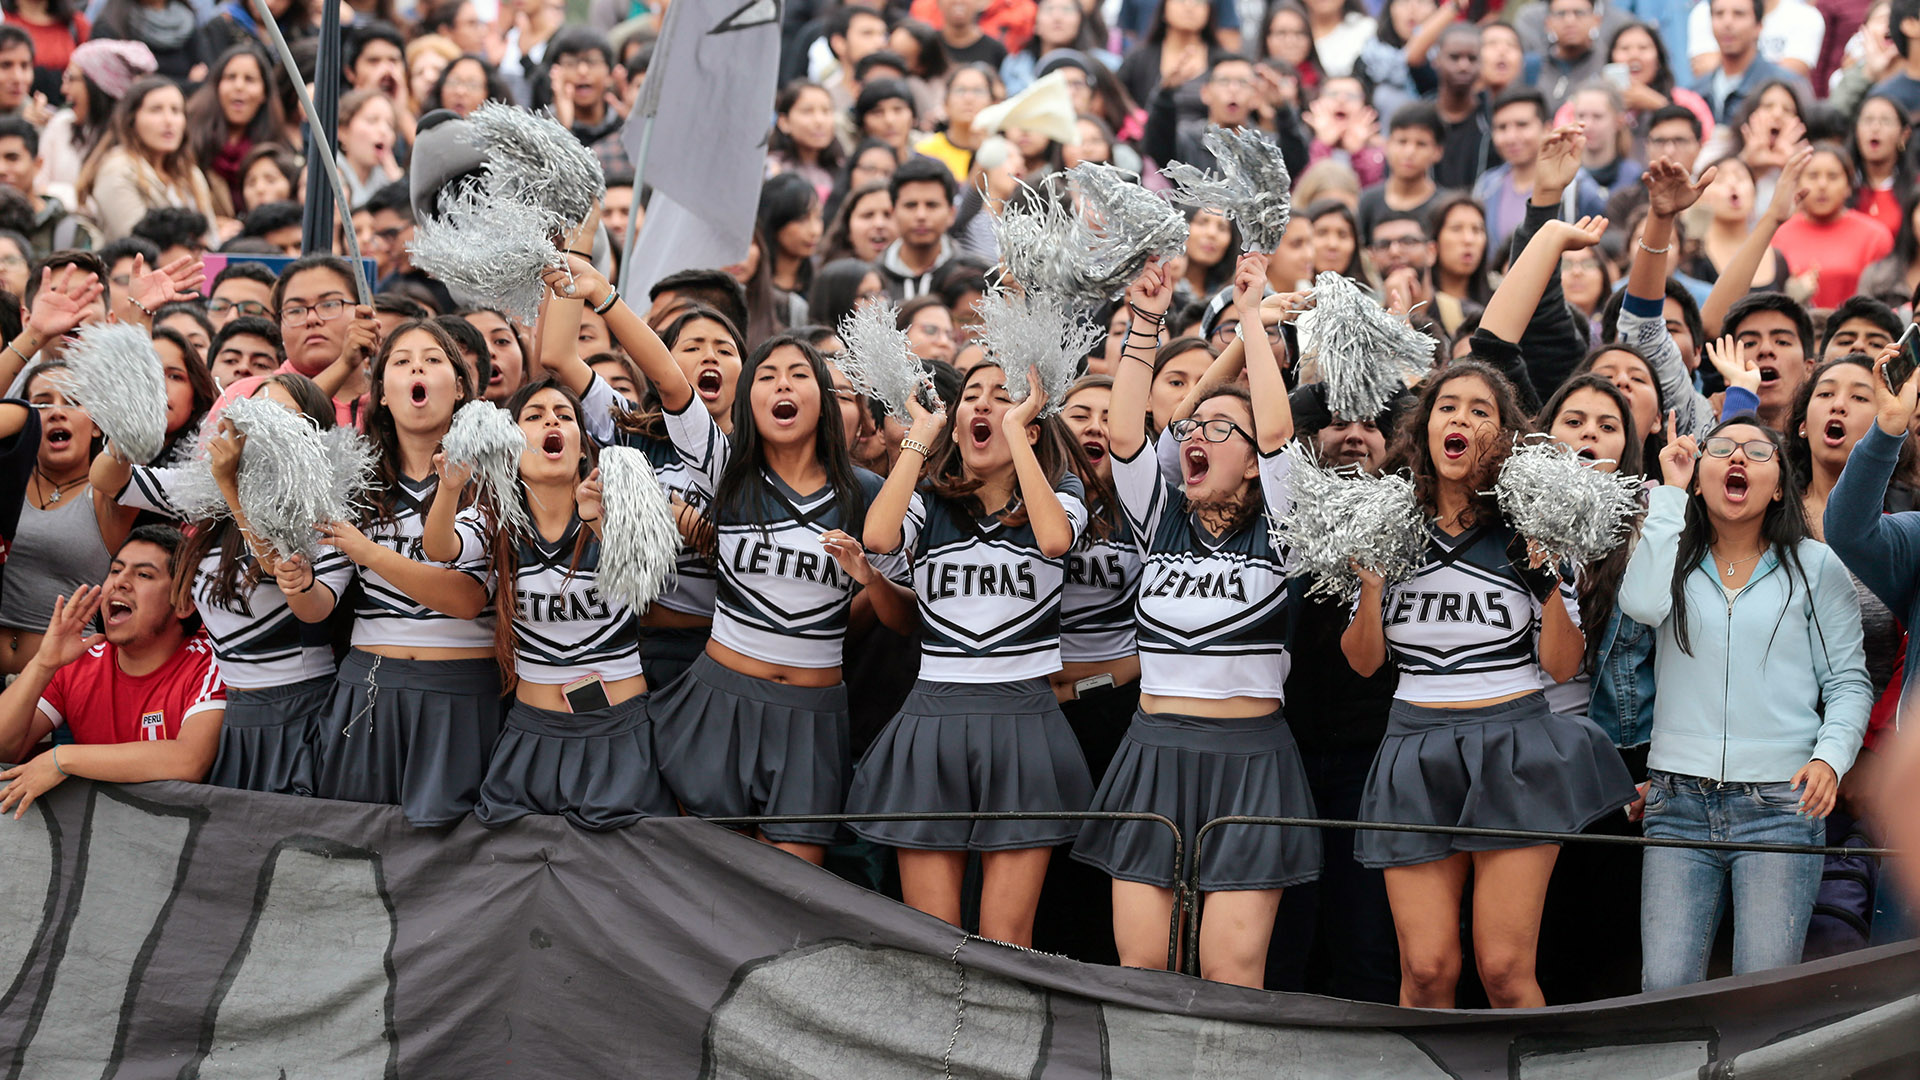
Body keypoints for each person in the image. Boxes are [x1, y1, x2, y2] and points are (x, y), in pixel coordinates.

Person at [1342, 220, 1637, 1010]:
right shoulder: (1385, 522)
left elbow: (1565, 666)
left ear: (1500, 435)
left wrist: (1544, 584)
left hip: (1515, 741)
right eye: (1446, 406)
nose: (1459, 419)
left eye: (1478, 409)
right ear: (1425, 426)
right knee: (1428, 973)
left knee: (1505, 973)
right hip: (1413, 741)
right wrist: (1370, 585)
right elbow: (1366, 664)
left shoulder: (1533, 526)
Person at [1070, 253, 1318, 989]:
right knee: (1144, 969)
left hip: (1252, 760)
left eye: (1222, 428)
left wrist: (1249, 317)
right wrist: (1145, 320)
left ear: (1252, 463)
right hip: (1153, 750)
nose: (1198, 434)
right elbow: (1126, 437)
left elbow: (1277, 433)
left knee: (1228, 972)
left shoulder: (1286, 526)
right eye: (1194, 426)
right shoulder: (1156, 516)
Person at [849, 351, 1095, 949]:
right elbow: (877, 537)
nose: (984, 402)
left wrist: (1019, 440)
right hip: (932, 718)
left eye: (1005, 395)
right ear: (957, 423)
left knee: (1006, 936)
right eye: (973, 395)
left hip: (1025, 719)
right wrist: (921, 438)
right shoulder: (930, 501)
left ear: (1031, 423)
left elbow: (1055, 540)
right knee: (932, 938)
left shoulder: (1061, 491)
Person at [1621, 416, 1869, 990]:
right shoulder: (1669, 554)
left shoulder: (1816, 566)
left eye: (1758, 452)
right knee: (1664, 992)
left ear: (1780, 485)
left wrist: (1829, 759)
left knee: (1760, 998)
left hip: (1782, 807)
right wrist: (1669, 496)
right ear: (1701, 474)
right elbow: (1638, 605)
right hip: (1676, 803)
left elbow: (1849, 682)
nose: (1737, 459)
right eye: (1722, 450)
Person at [93, 373, 350, 796]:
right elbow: (109, 480)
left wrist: (230, 484)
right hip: (236, 708)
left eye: (284, 417)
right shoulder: (207, 485)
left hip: (303, 707)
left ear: (313, 435)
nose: (265, 429)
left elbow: (278, 568)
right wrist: (123, 433)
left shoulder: (320, 505)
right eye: (258, 412)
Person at [307, 321, 500, 827]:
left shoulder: (497, 475)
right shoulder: (351, 479)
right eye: (401, 360)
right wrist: (293, 580)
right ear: (383, 395)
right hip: (367, 685)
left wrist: (369, 553)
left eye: (434, 359)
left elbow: (465, 600)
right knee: (355, 845)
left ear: (460, 388)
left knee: (453, 856)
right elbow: (316, 605)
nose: (417, 366)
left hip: (461, 691)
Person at [0, 527, 227, 818]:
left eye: (143, 575)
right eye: (116, 570)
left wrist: (63, 758)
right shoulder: (79, 660)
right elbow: (4, 749)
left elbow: (189, 761)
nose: (120, 582)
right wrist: (43, 663)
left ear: (183, 602)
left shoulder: (211, 660)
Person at [0, 361, 113, 676]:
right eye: (42, 402)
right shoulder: (6, 482)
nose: (56, 412)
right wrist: (36, 334)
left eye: (73, 401)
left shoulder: (110, 494)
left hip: (65, 690)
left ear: (97, 424)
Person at [75, 75, 221, 244]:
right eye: (156, 110)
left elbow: (211, 239)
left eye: (176, 110)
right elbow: (134, 240)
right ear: (131, 119)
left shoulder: (191, 174)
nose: (169, 121)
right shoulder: (117, 169)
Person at [1472, 95, 1605, 253]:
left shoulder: (1578, 188)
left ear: (1547, 128)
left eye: (1522, 125)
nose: (1511, 137)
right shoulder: (1486, 186)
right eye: (1501, 127)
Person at [1767, 144, 1892, 310]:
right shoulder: (1777, 234)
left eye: (1833, 176)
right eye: (1812, 176)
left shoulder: (1875, 236)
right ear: (1797, 184)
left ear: (1849, 186)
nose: (1822, 185)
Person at [185, 45, 281, 216]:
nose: (239, 86)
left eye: (249, 79)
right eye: (230, 77)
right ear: (216, 86)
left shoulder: (276, 150)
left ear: (264, 93)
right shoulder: (188, 142)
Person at [1690, 0, 1804, 124]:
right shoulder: (1696, 93)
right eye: (1719, 14)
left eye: (1739, 14)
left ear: (1759, 25)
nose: (1727, 23)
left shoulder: (1785, 85)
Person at [1355, 102, 1443, 247]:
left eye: (1421, 144)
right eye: (1402, 142)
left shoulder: (1443, 206)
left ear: (1438, 151)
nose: (1410, 152)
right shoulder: (1367, 202)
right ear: (1387, 145)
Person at [876, 156, 957, 300]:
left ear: (951, 213)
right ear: (893, 212)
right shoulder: (873, 280)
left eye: (932, 205)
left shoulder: (973, 275)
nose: (921, 215)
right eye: (911, 205)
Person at [1847, 93, 1909, 237]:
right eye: (1868, 120)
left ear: (1904, 135)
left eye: (1886, 121)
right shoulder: (1841, 184)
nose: (1875, 128)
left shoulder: (1915, 186)